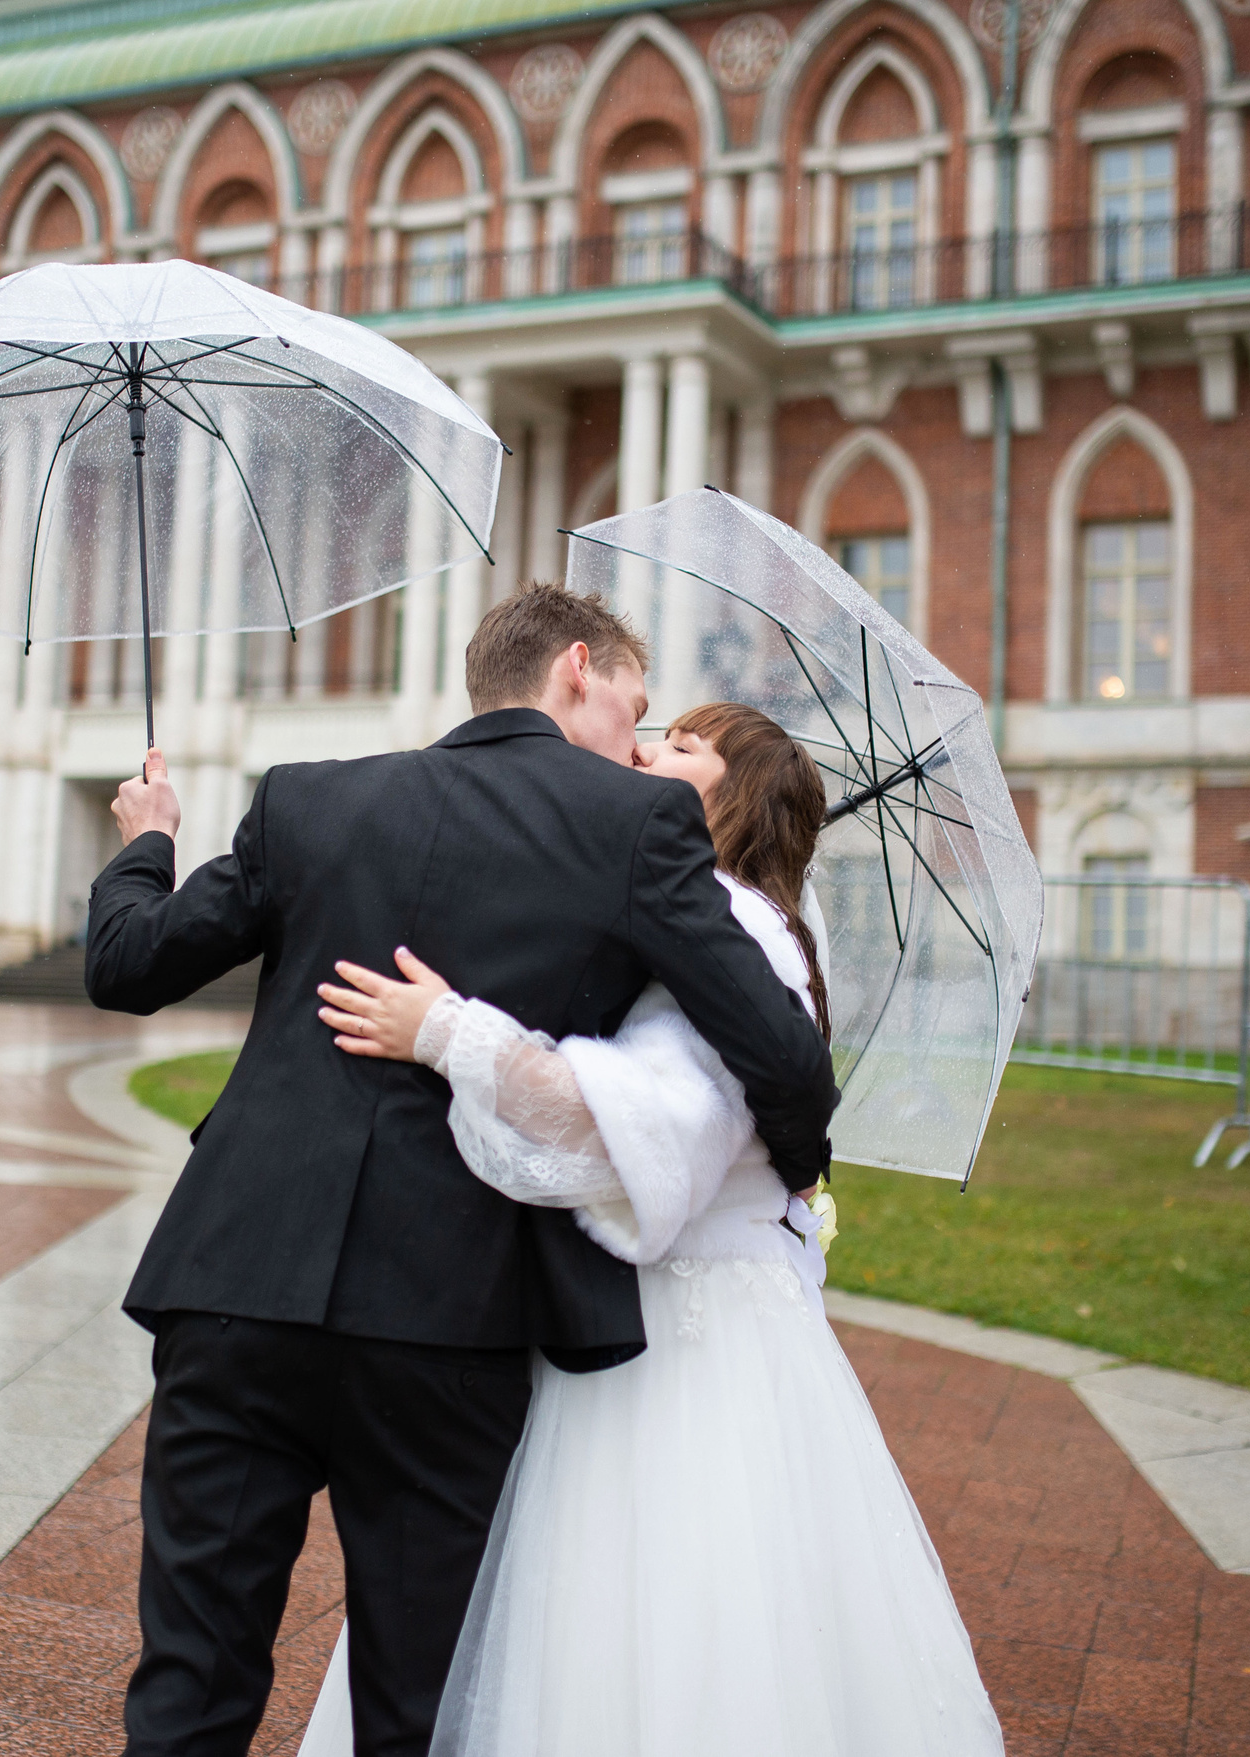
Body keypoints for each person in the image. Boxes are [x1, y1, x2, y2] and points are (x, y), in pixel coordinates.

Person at [84, 585, 839, 1757]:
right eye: (633, 707)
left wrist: (147, 837)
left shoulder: (309, 796)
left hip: (236, 1282)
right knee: (413, 1701)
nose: (637, 744)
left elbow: (128, 964)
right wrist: (797, 1170)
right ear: (576, 669)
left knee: (189, 1678)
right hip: (450, 1314)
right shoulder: (633, 828)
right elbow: (782, 1056)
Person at [300, 701, 1006, 1757]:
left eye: (678, 744)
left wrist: (446, 1030)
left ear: (732, 795)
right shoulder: (718, 920)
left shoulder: (729, 928)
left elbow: (637, 1128)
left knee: (659, 1612)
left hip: (680, 1340)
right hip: (704, 1310)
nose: (639, 751)